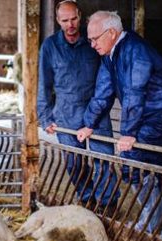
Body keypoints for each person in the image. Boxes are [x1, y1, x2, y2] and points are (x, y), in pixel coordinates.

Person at [77, 11, 162, 238]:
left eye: (94, 39)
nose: (92, 44)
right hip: (149, 115)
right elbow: (103, 93)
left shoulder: (135, 51)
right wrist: (89, 123)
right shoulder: (110, 55)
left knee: (134, 160)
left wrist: (127, 134)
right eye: (89, 40)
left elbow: (133, 93)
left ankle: (156, 226)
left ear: (111, 33)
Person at [37, 0, 118, 209]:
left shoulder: (93, 42)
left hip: (96, 111)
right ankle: (87, 199)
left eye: (73, 19)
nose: (70, 24)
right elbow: (43, 84)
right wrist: (45, 116)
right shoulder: (50, 46)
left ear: (80, 16)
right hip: (66, 113)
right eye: (64, 20)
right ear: (57, 21)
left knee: (104, 159)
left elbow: (108, 73)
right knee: (75, 163)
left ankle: (108, 204)